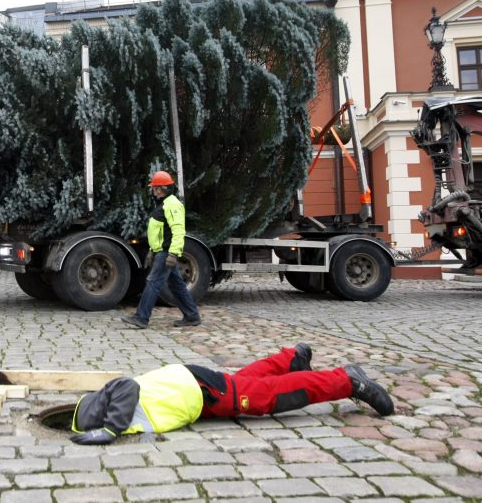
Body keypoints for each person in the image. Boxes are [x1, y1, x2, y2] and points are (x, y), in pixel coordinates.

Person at [70, 343, 395, 444]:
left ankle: (348, 381)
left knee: (270, 396)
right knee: (245, 384)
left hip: (199, 391)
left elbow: (128, 384)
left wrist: (110, 429)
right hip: (199, 396)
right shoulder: (107, 408)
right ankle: (292, 360)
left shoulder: (113, 402)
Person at [121, 170, 200, 329]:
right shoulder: (164, 205)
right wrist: (152, 250)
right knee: (176, 285)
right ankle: (192, 316)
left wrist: (172, 254)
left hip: (166, 253)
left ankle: (141, 318)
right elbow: (158, 232)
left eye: (155, 188)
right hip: (161, 251)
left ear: (162, 189)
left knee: (153, 282)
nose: (153, 191)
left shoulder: (172, 205)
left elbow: (178, 231)